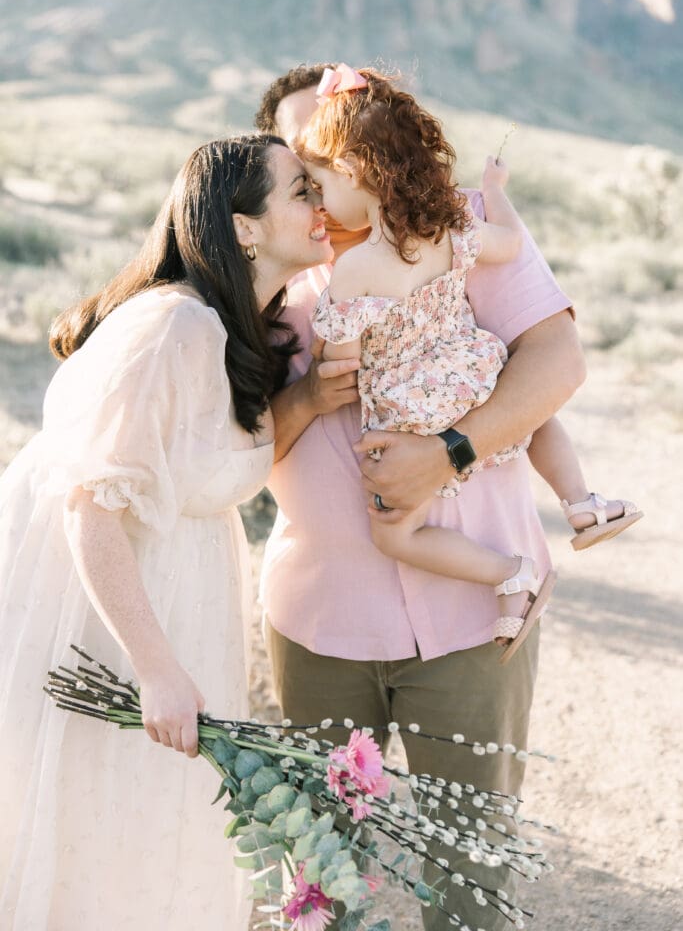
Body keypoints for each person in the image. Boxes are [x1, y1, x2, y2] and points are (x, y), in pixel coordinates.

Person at [255, 64, 586, 931]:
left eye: (333, 155)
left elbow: (556, 362)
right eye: (300, 163)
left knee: (470, 867)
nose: (319, 182)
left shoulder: (453, 225)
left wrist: (448, 453)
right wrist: (305, 398)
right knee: (318, 866)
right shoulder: (263, 280)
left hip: (472, 618)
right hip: (320, 621)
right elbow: (232, 447)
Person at [0, 134, 332, 930]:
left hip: (176, 604)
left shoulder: (230, 329)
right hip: (113, 623)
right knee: (97, 831)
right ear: (243, 227)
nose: (320, 204)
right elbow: (90, 506)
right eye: (300, 190)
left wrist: (309, 399)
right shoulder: (172, 326)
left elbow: (203, 464)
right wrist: (156, 670)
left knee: (142, 832)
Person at [300, 65, 641, 661]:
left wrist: (326, 345)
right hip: (470, 369)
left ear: (351, 172)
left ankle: (508, 573)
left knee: (395, 533)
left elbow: (343, 366)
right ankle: (582, 503)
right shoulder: (451, 230)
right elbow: (509, 242)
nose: (320, 204)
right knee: (532, 417)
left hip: (411, 407)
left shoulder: (355, 268)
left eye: (320, 185)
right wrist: (496, 190)